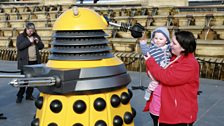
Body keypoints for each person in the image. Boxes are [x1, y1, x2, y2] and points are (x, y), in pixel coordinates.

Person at [144, 30, 199, 126]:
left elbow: (166, 77)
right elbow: (156, 71)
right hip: (168, 109)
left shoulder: (189, 64)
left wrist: (150, 62)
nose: (170, 45)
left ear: (183, 47)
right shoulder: (174, 57)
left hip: (180, 115)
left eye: (174, 43)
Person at [139, 27, 171, 126]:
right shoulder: (152, 48)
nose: (158, 41)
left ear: (166, 40)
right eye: (156, 38)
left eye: (161, 39)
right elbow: (145, 52)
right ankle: (148, 94)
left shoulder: (170, 48)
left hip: (166, 70)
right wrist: (143, 42)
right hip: (156, 70)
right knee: (154, 84)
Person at [16, 22, 44, 103]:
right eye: (30, 31)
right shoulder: (21, 36)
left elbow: (41, 47)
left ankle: (29, 95)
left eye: (33, 31)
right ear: (26, 29)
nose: (31, 32)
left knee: (32, 80)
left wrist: (38, 42)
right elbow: (19, 47)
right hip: (25, 62)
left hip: (35, 61)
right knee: (24, 80)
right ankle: (20, 96)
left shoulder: (36, 36)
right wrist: (29, 41)